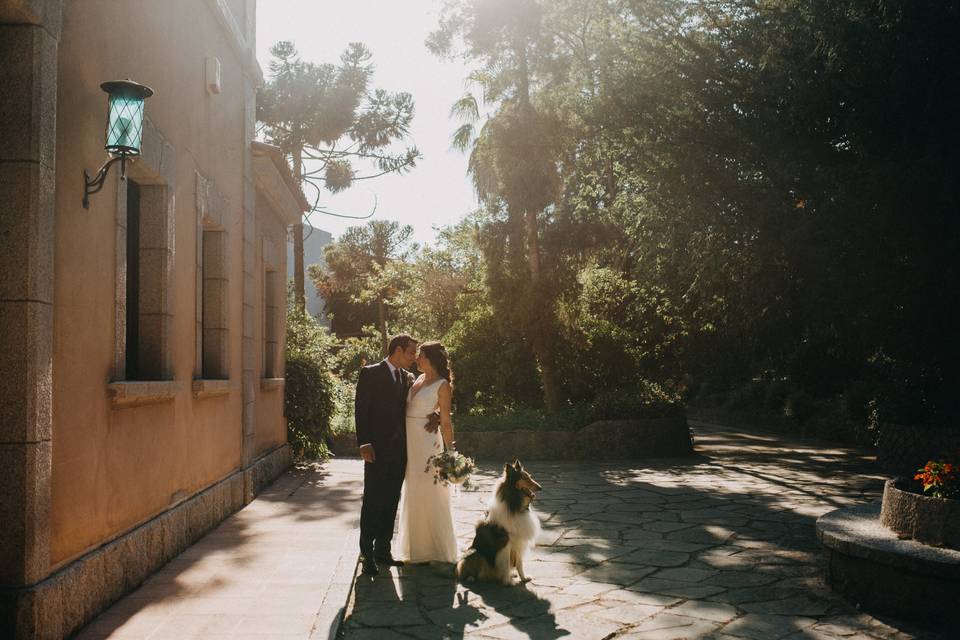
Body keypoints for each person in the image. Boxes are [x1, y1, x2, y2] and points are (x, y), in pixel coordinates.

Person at [355, 334, 418, 576]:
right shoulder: (370, 373)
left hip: (400, 451)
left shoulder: (406, 378)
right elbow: (361, 409)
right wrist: (364, 442)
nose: (413, 358)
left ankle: (383, 551)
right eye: (411, 353)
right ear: (399, 350)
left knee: (391, 500)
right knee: (373, 501)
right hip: (376, 450)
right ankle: (366, 554)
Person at [395, 341, 459, 564]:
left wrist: (451, 451)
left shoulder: (442, 385)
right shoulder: (417, 379)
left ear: (432, 359)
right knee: (413, 490)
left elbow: (446, 419)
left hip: (428, 443)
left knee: (431, 491)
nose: (417, 359)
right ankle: (416, 549)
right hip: (410, 441)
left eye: (421, 356)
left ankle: (436, 550)